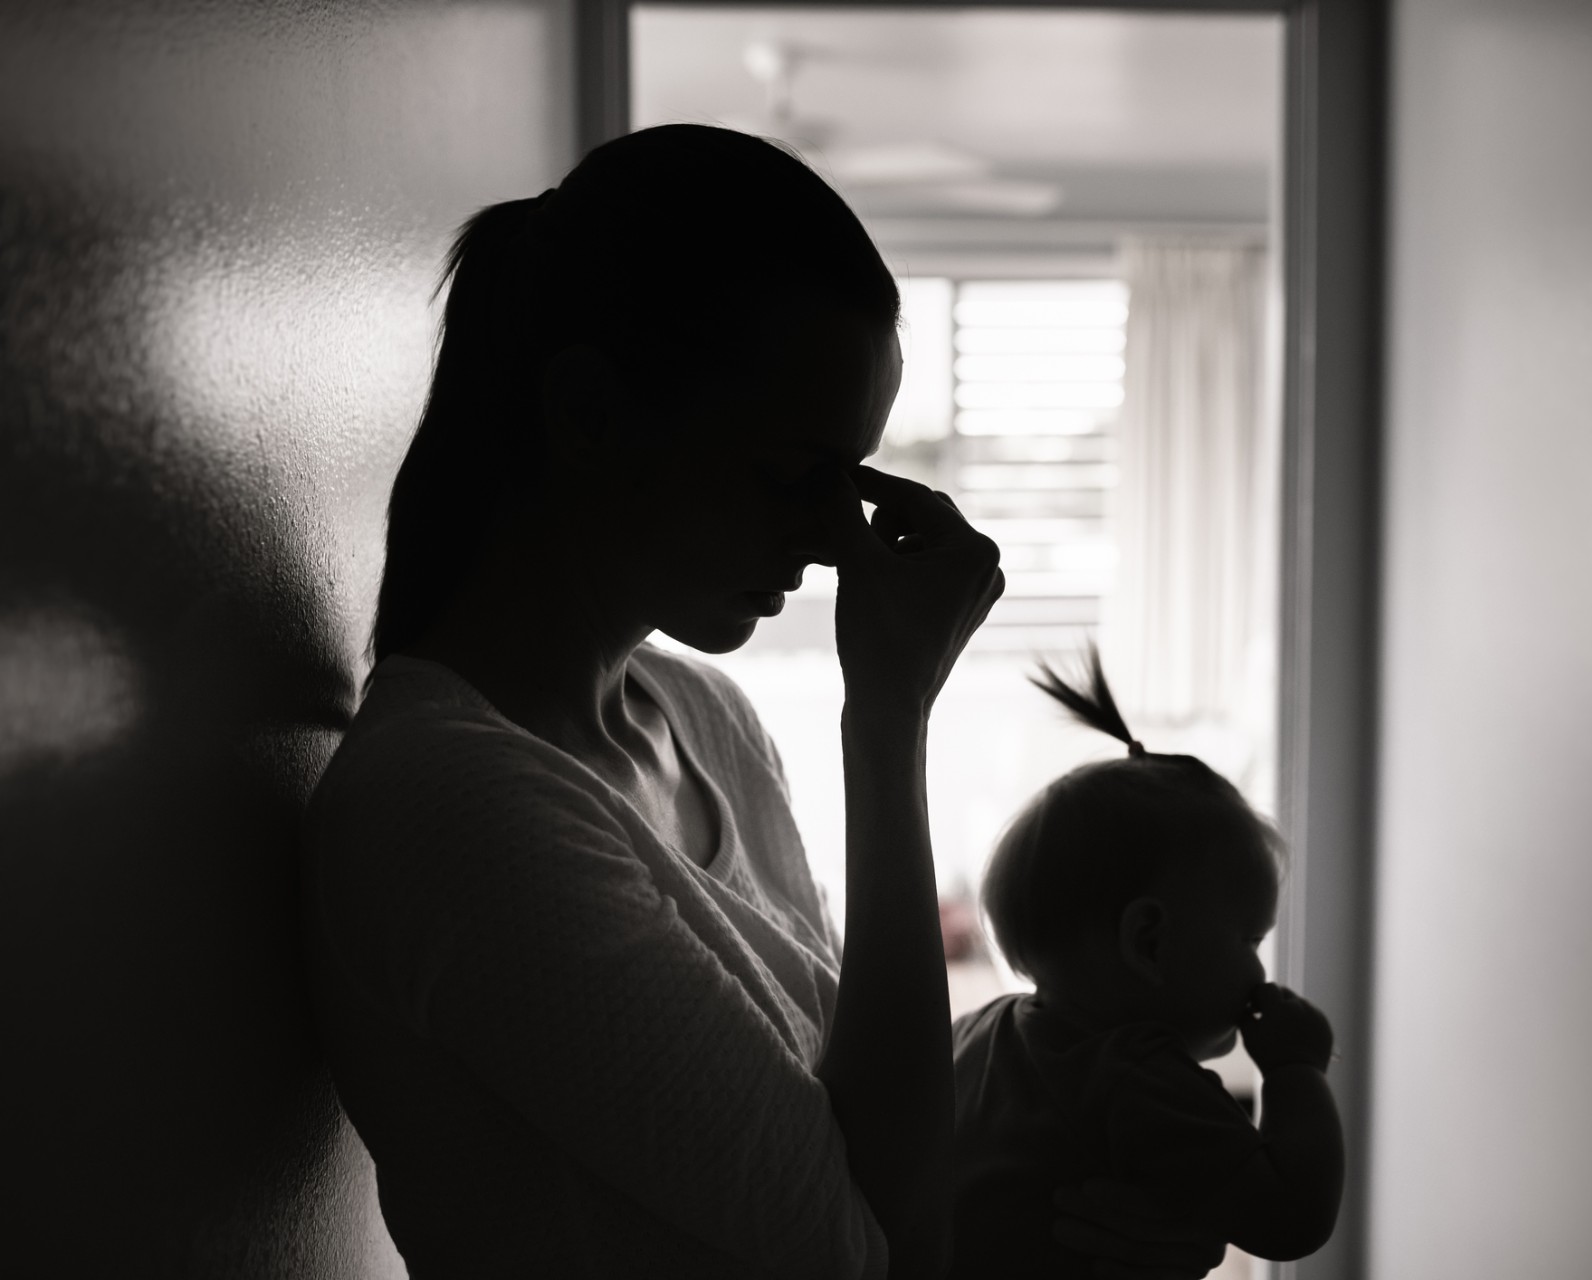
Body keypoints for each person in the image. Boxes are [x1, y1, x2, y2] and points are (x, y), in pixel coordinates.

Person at [299, 124, 1002, 1279]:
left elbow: (863, 1103)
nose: (836, 540)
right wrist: (889, 725)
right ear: (588, 415)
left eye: (853, 480)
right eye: (794, 475)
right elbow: (882, 1245)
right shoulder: (450, 805)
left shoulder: (702, 717)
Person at [951, 648, 1346, 1279]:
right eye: (1249, 939)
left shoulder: (977, 1032)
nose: (1258, 972)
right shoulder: (1140, 1078)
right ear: (1150, 942)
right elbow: (1292, 1218)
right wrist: (1298, 1072)